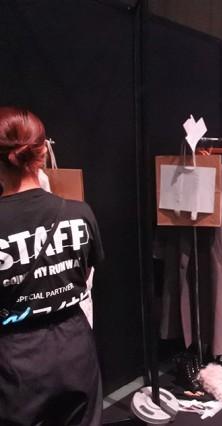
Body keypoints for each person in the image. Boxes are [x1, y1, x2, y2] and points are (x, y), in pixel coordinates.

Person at [0, 107, 104, 425]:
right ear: (43, 151)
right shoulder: (80, 212)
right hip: (75, 344)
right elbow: (86, 276)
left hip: (15, 354)